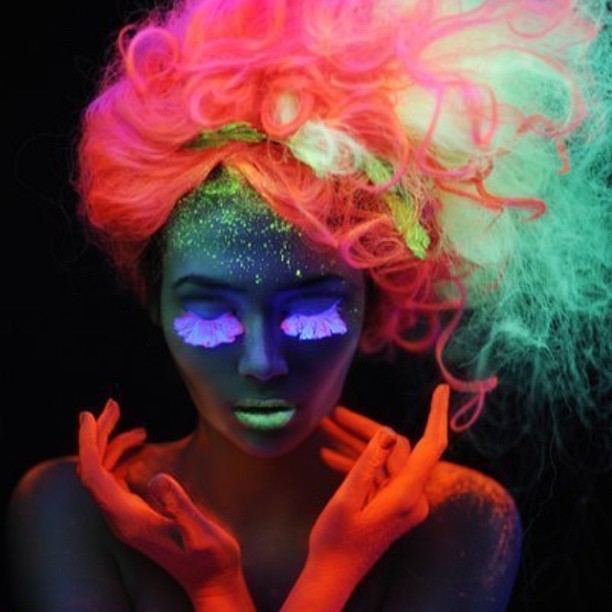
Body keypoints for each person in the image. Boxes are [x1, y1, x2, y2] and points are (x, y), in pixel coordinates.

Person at [6, 0, 610, 610]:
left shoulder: (459, 523)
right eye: (211, 317)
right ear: (154, 301)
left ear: (375, 303)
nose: (263, 363)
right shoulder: (68, 515)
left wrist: (233, 585)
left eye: (311, 315)